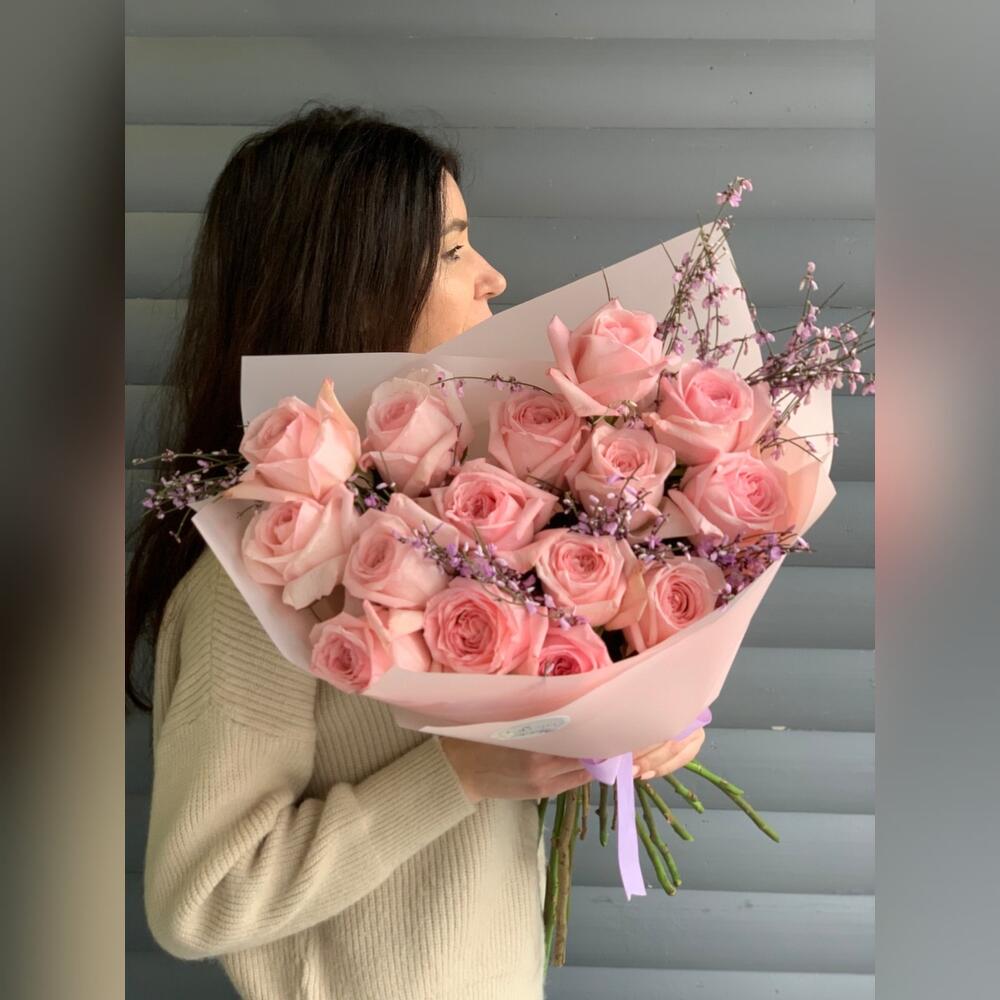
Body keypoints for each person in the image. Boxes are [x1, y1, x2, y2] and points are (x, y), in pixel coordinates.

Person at [125, 104, 706, 1000]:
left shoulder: (473, 525)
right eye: (454, 250)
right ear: (358, 282)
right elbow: (200, 902)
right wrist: (456, 775)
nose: (493, 277)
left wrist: (630, 722)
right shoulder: (258, 579)